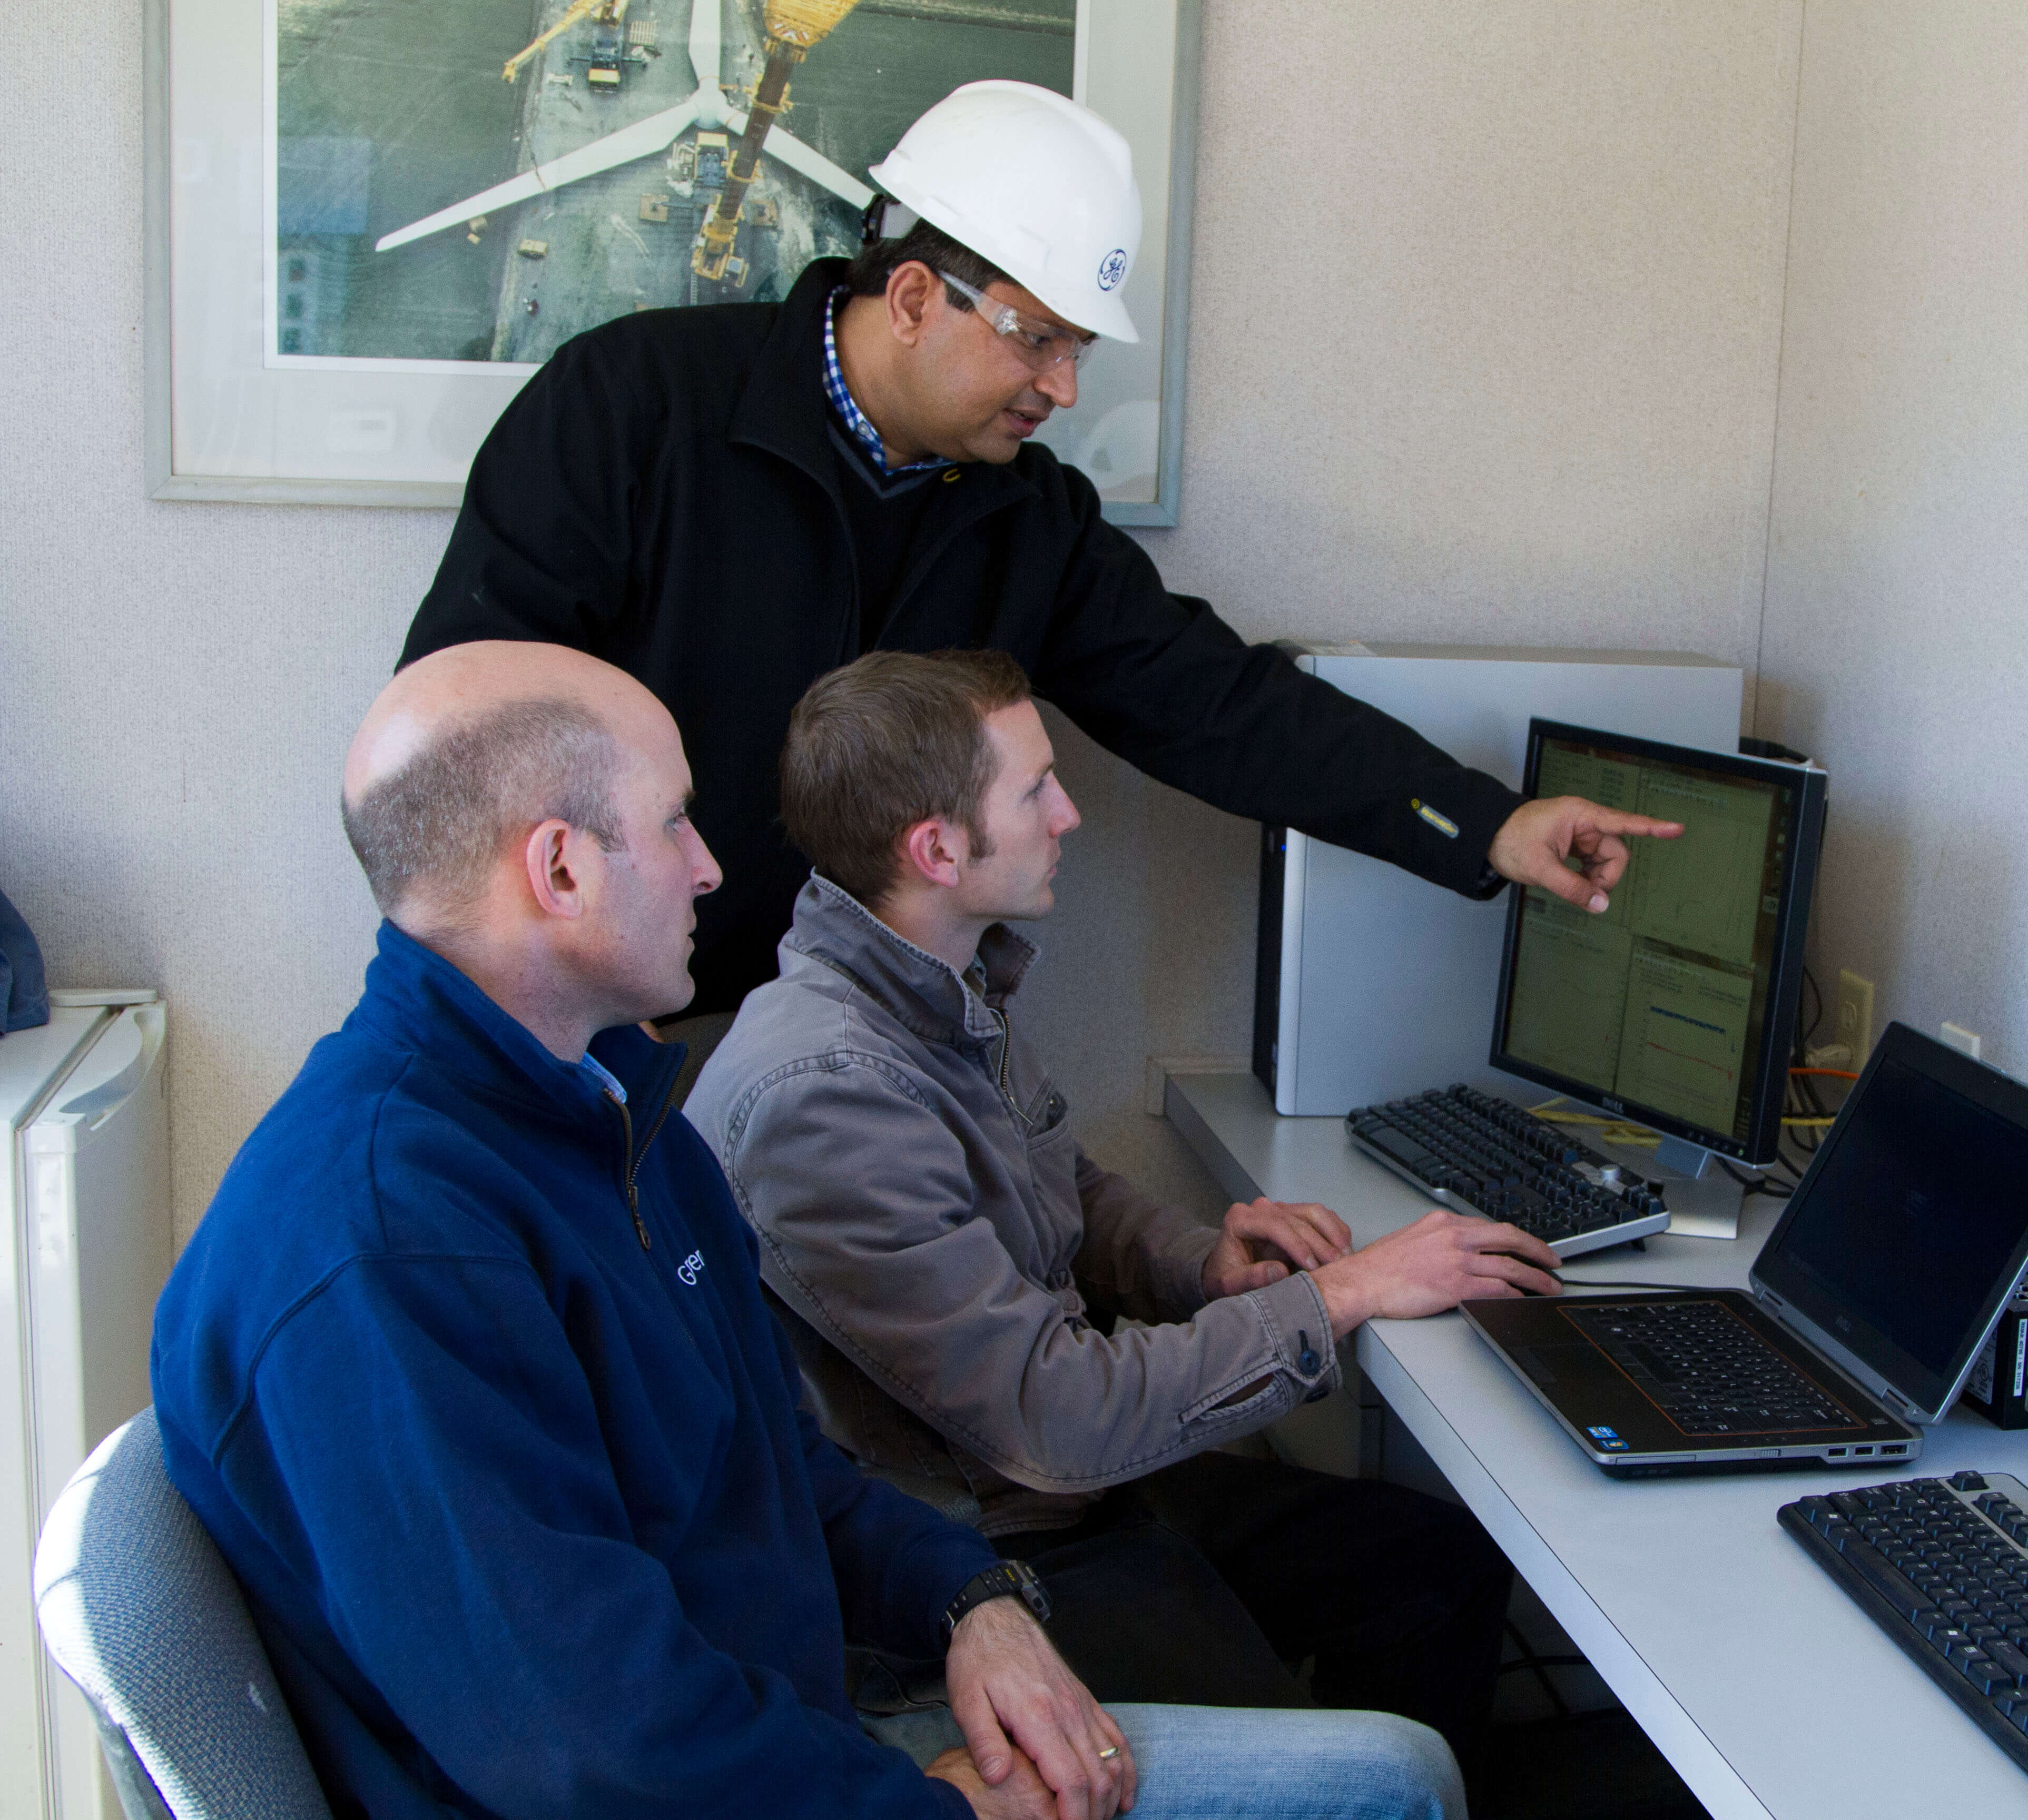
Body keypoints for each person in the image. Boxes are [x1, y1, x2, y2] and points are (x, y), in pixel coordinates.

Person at [150, 640, 1463, 1820]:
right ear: (557, 868)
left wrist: (971, 1597)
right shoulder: (388, 1251)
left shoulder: (605, 1109)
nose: (715, 869)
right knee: (1390, 1787)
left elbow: (774, 1460)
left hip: (794, 1719)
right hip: (780, 1765)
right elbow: (589, 1753)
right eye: (673, 825)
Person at [399, 80, 1678, 1028]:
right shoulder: (631, 409)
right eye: (1037, 341)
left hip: (866, 1049)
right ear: (912, 299)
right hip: (599, 1035)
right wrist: (529, 1028)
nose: (1062, 389)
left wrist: (1488, 825)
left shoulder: (1030, 520)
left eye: (1081, 351)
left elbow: (1222, 707)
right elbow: (463, 732)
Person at [684, 649, 1563, 1776]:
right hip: (981, 1558)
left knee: (1436, 1569)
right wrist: (1341, 1294)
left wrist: (1208, 1263)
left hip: (1057, 1497)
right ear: (937, 848)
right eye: (1035, 790)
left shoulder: (934, 980)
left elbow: (1063, 1186)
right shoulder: (827, 1093)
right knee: (1371, 1773)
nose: (1071, 813)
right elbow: (1058, 1417)